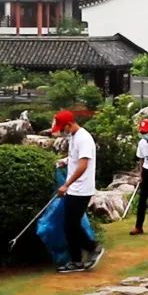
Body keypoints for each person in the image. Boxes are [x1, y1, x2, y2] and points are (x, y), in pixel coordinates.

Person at [52, 110, 105, 272]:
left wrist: (66, 185)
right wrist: (65, 161)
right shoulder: (74, 137)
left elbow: (83, 165)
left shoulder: (84, 138)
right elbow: (76, 158)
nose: (62, 132)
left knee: (72, 225)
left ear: (69, 124)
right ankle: (77, 260)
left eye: (63, 128)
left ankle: (92, 248)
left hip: (81, 189)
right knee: (70, 225)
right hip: (74, 189)